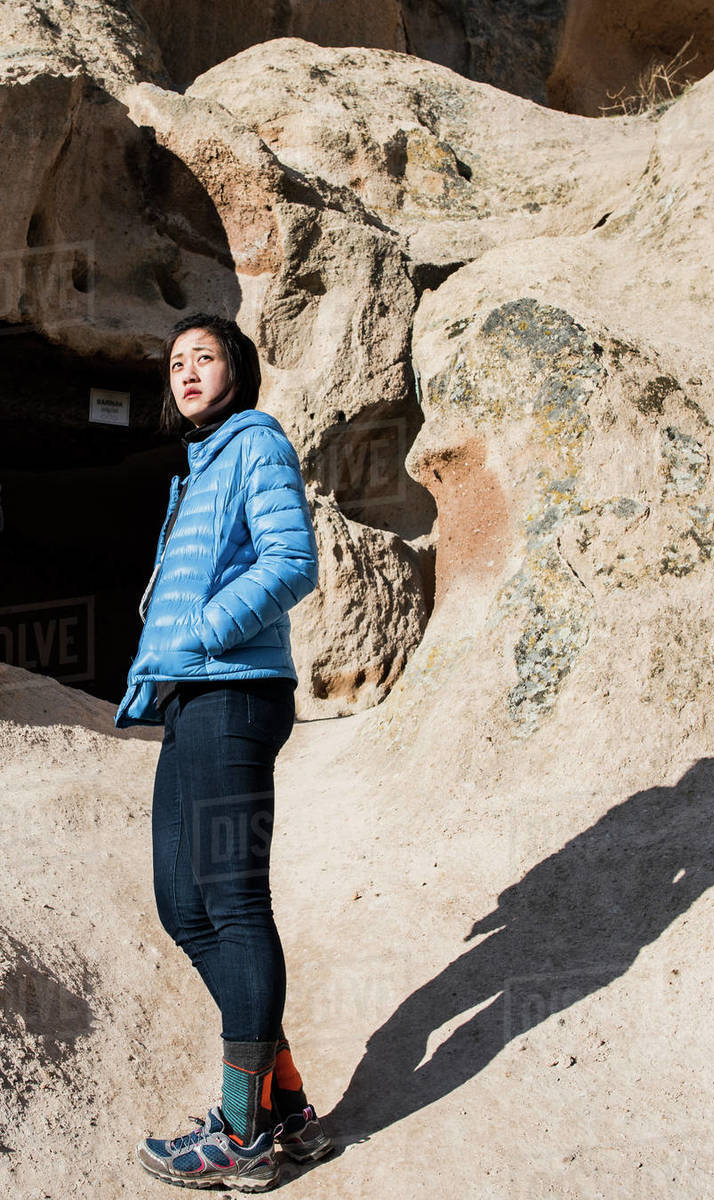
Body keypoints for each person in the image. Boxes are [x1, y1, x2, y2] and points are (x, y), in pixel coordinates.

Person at [114, 313, 330, 1190]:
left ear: (237, 368)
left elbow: (292, 561)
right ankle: (287, 1110)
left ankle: (244, 1134)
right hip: (190, 700)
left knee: (232, 904)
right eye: (176, 362)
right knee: (182, 903)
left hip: (235, 693)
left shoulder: (256, 445)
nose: (188, 372)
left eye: (205, 357)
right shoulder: (197, 468)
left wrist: (201, 631)